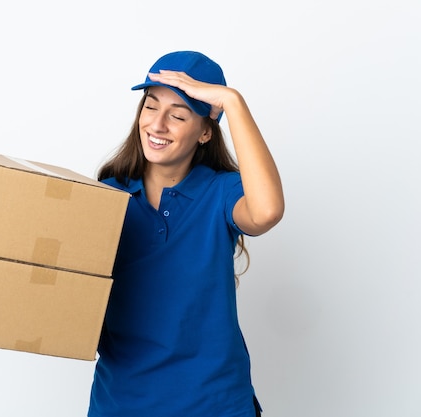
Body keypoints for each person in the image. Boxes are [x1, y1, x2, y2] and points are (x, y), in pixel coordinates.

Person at [88, 51, 284, 417]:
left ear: (205, 131)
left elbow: (267, 211)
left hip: (214, 404)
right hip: (122, 403)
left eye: (178, 115)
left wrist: (232, 101)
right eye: (150, 106)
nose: (158, 125)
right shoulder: (107, 195)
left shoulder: (222, 193)